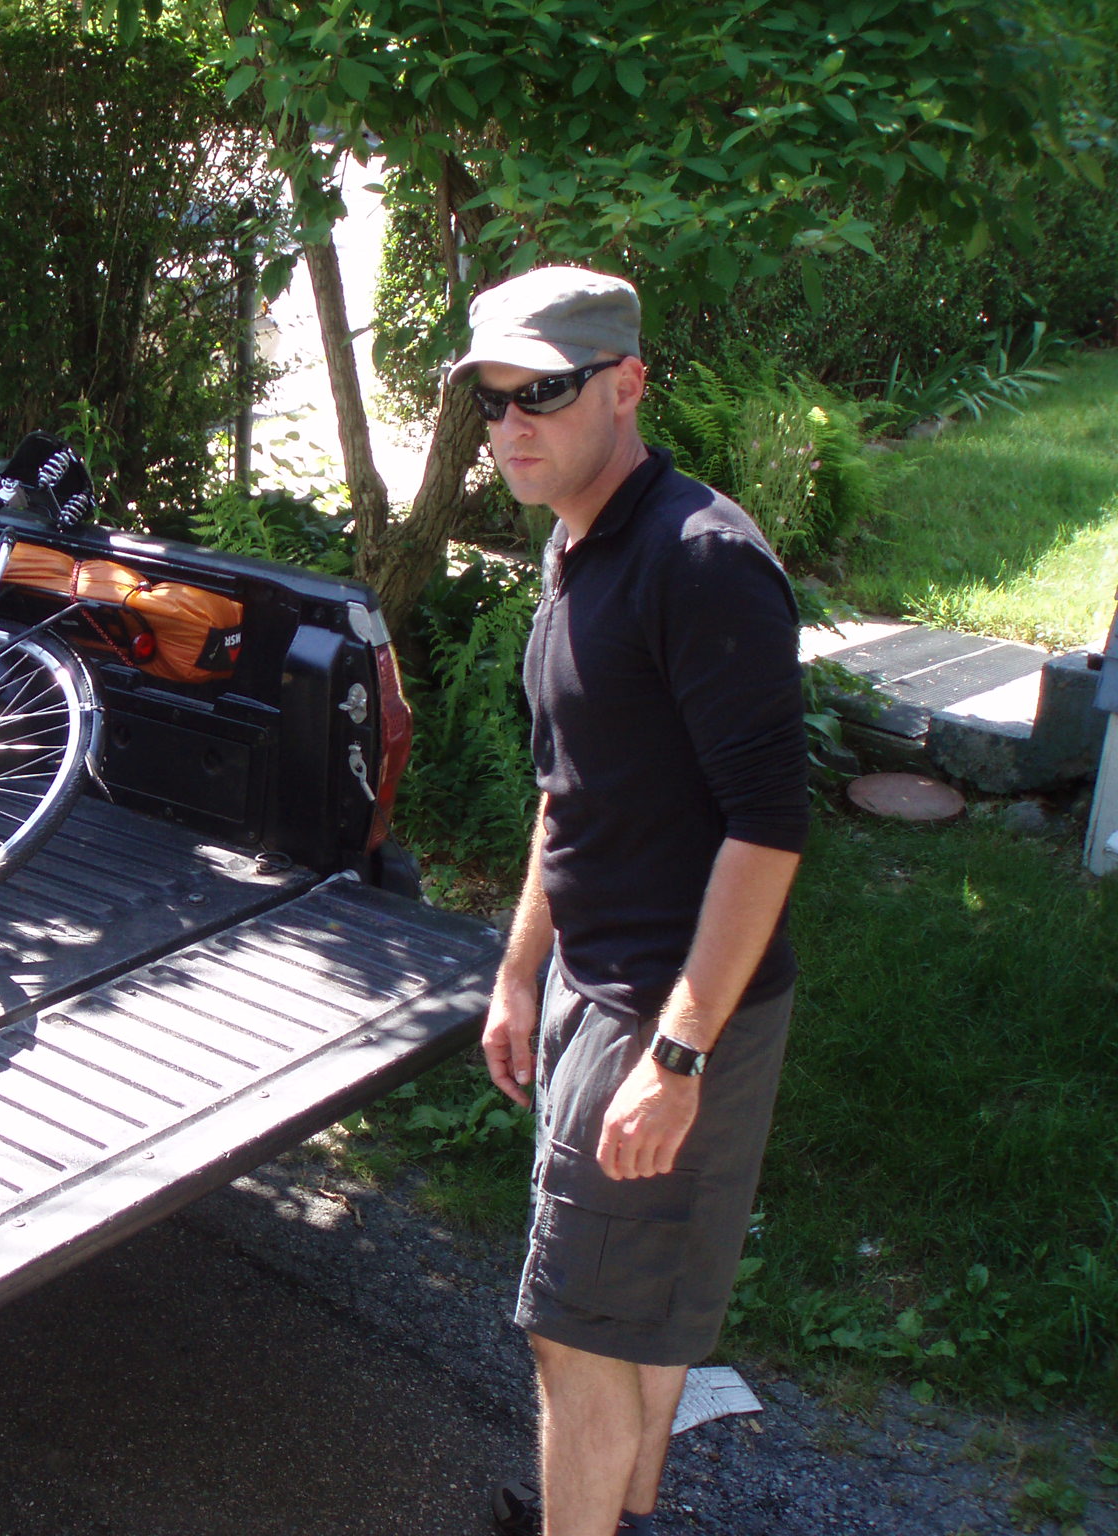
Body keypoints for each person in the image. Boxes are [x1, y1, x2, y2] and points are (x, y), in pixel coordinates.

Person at [453, 267, 809, 1536]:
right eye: (490, 402)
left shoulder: (699, 560)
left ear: (625, 385)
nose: (510, 427)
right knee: (630, 1307)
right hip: (590, 982)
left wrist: (676, 1050)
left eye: (538, 394)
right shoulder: (576, 541)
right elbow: (571, 789)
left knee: (572, 1330)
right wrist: (515, 973)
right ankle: (613, 1510)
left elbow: (767, 832)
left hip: (666, 1004)